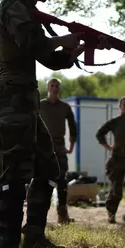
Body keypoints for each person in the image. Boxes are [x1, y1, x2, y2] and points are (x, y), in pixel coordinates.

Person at [0, 0, 108, 248]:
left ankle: (34, 238)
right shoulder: (14, 7)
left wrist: (76, 50)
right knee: (15, 172)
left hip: (26, 102)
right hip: (13, 98)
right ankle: (6, 246)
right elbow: (33, 44)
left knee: (49, 168)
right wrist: (63, 38)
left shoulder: (28, 11)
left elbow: (47, 58)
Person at [39, 78, 78, 224]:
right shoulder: (41, 105)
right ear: (48, 87)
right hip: (43, 147)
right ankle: (39, 215)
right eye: (52, 85)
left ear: (60, 88)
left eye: (57, 85)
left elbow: (73, 125)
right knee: (41, 181)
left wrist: (72, 145)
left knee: (62, 182)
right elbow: (31, 121)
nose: (54, 87)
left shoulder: (65, 107)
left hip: (59, 147)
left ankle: (63, 215)